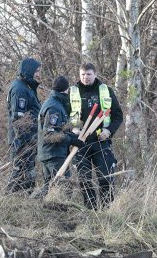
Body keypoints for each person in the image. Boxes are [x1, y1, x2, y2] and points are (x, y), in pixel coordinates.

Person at [69, 62, 123, 208]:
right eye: (83, 74)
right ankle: (90, 211)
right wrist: (72, 129)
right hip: (80, 143)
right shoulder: (72, 92)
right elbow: (64, 117)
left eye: (89, 74)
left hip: (101, 141)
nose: (85, 77)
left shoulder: (106, 91)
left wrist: (108, 131)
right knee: (84, 179)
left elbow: (118, 116)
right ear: (79, 75)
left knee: (105, 177)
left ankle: (107, 210)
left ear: (95, 74)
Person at [33, 76, 83, 199]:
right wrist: (71, 140)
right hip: (53, 154)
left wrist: (73, 136)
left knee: (49, 187)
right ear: (66, 90)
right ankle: (61, 213)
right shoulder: (54, 107)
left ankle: (33, 206)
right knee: (65, 188)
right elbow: (50, 134)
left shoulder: (55, 103)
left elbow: (59, 129)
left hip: (50, 152)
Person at [6, 57, 42, 194]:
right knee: (18, 174)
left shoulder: (28, 88)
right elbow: (18, 119)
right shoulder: (19, 89)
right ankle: (7, 201)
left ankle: (25, 203)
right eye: (37, 71)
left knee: (28, 175)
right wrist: (23, 141)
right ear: (29, 71)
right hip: (22, 141)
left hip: (31, 140)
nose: (39, 74)